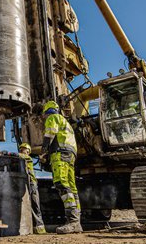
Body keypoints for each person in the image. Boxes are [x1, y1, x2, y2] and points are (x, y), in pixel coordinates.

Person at [41, 100, 82, 233]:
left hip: (60, 154)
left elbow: (50, 134)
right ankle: (77, 223)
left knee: (61, 183)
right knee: (72, 187)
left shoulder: (52, 118)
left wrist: (43, 152)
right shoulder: (67, 123)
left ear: (46, 112)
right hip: (70, 155)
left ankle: (72, 221)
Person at [18, 142, 46, 234]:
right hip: (28, 183)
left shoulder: (28, 158)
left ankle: (40, 228)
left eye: (23, 149)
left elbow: (20, 156)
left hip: (32, 183)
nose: (22, 151)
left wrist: (7, 153)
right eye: (21, 149)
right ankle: (34, 227)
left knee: (35, 205)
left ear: (28, 151)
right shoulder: (22, 159)